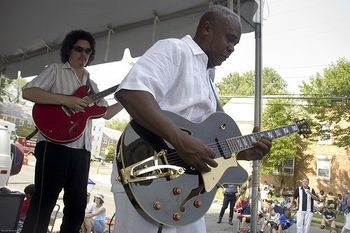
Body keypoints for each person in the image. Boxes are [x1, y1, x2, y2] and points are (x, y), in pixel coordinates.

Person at [112, 5, 272, 233]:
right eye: (229, 39)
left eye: (235, 44)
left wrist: (243, 152)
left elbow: (208, 143)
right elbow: (131, 93)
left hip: (189, 188)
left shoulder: (209, 79)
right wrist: (179, 140)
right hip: (150, 175)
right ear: (207, 28)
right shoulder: (175, 49)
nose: (231, 49)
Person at [21, 30, 123, 233]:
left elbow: (108, 113)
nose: (83, 54)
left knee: (76, 207)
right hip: (54, 145)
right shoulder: (56, 70)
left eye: (88, 51)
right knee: (44, 203)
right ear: (69, 50)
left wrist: (128, 97)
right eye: (79, 49)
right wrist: (67, 100)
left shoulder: (91, 85)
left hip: (82, 151)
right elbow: (28, 91)